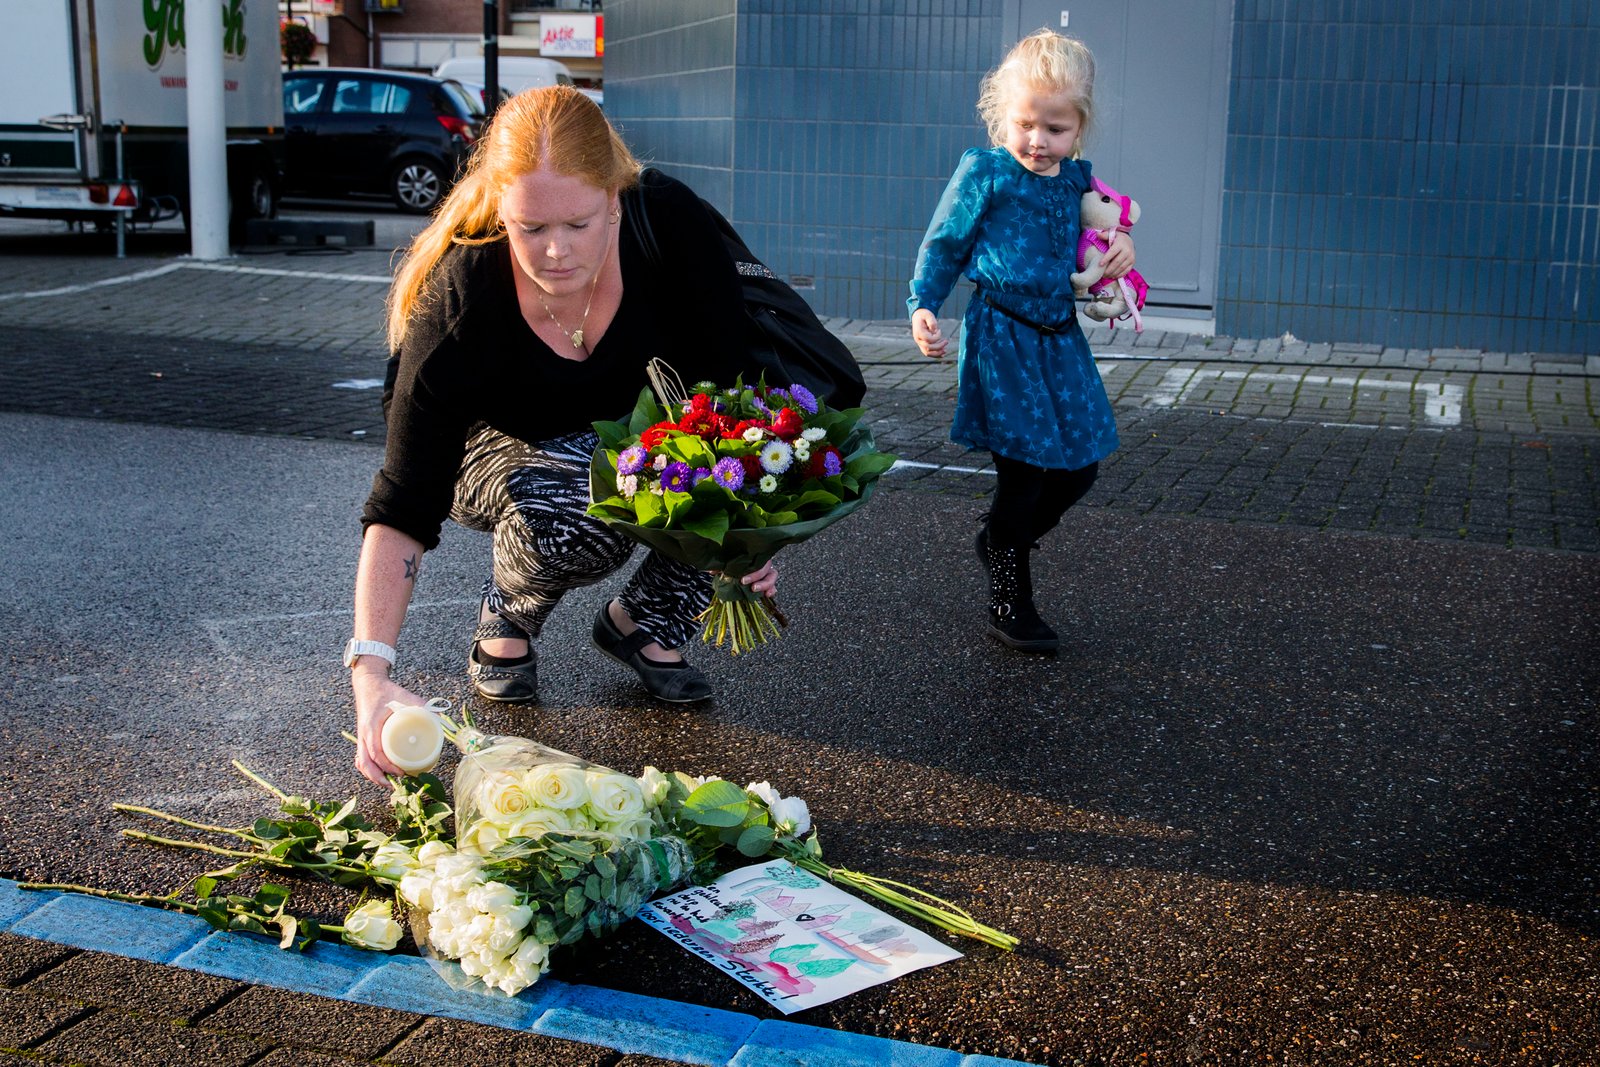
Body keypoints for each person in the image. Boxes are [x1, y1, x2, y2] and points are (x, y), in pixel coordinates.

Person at [350, 87, 778, 786]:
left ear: (614, 197)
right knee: (592, 487)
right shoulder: (462, 294)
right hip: (488, 453)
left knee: (728, 468)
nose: (554, 252)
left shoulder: (667, 224)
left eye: (578, 224)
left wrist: (746, 536)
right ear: (499, 210)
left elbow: (727, 393)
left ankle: (644, 618)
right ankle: (506, 617)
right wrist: (371, 674)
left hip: (626, 444)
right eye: (529, 228)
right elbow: (402, 501)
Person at [907, 28, 1135, 655]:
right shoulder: (986, 171)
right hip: (1002, 335)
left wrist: (1124, 247)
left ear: (1079, 128)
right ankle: (1011, 596)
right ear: (1001, 117)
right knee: (1025, 472)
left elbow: (1105, 231)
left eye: (1055, 129)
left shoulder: (1078, 180)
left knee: (1081, 464)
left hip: (1060, 339)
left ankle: (1002, 540)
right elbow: (945, 241)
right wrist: (924, 303)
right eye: (1025, 124)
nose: (1038, 140)